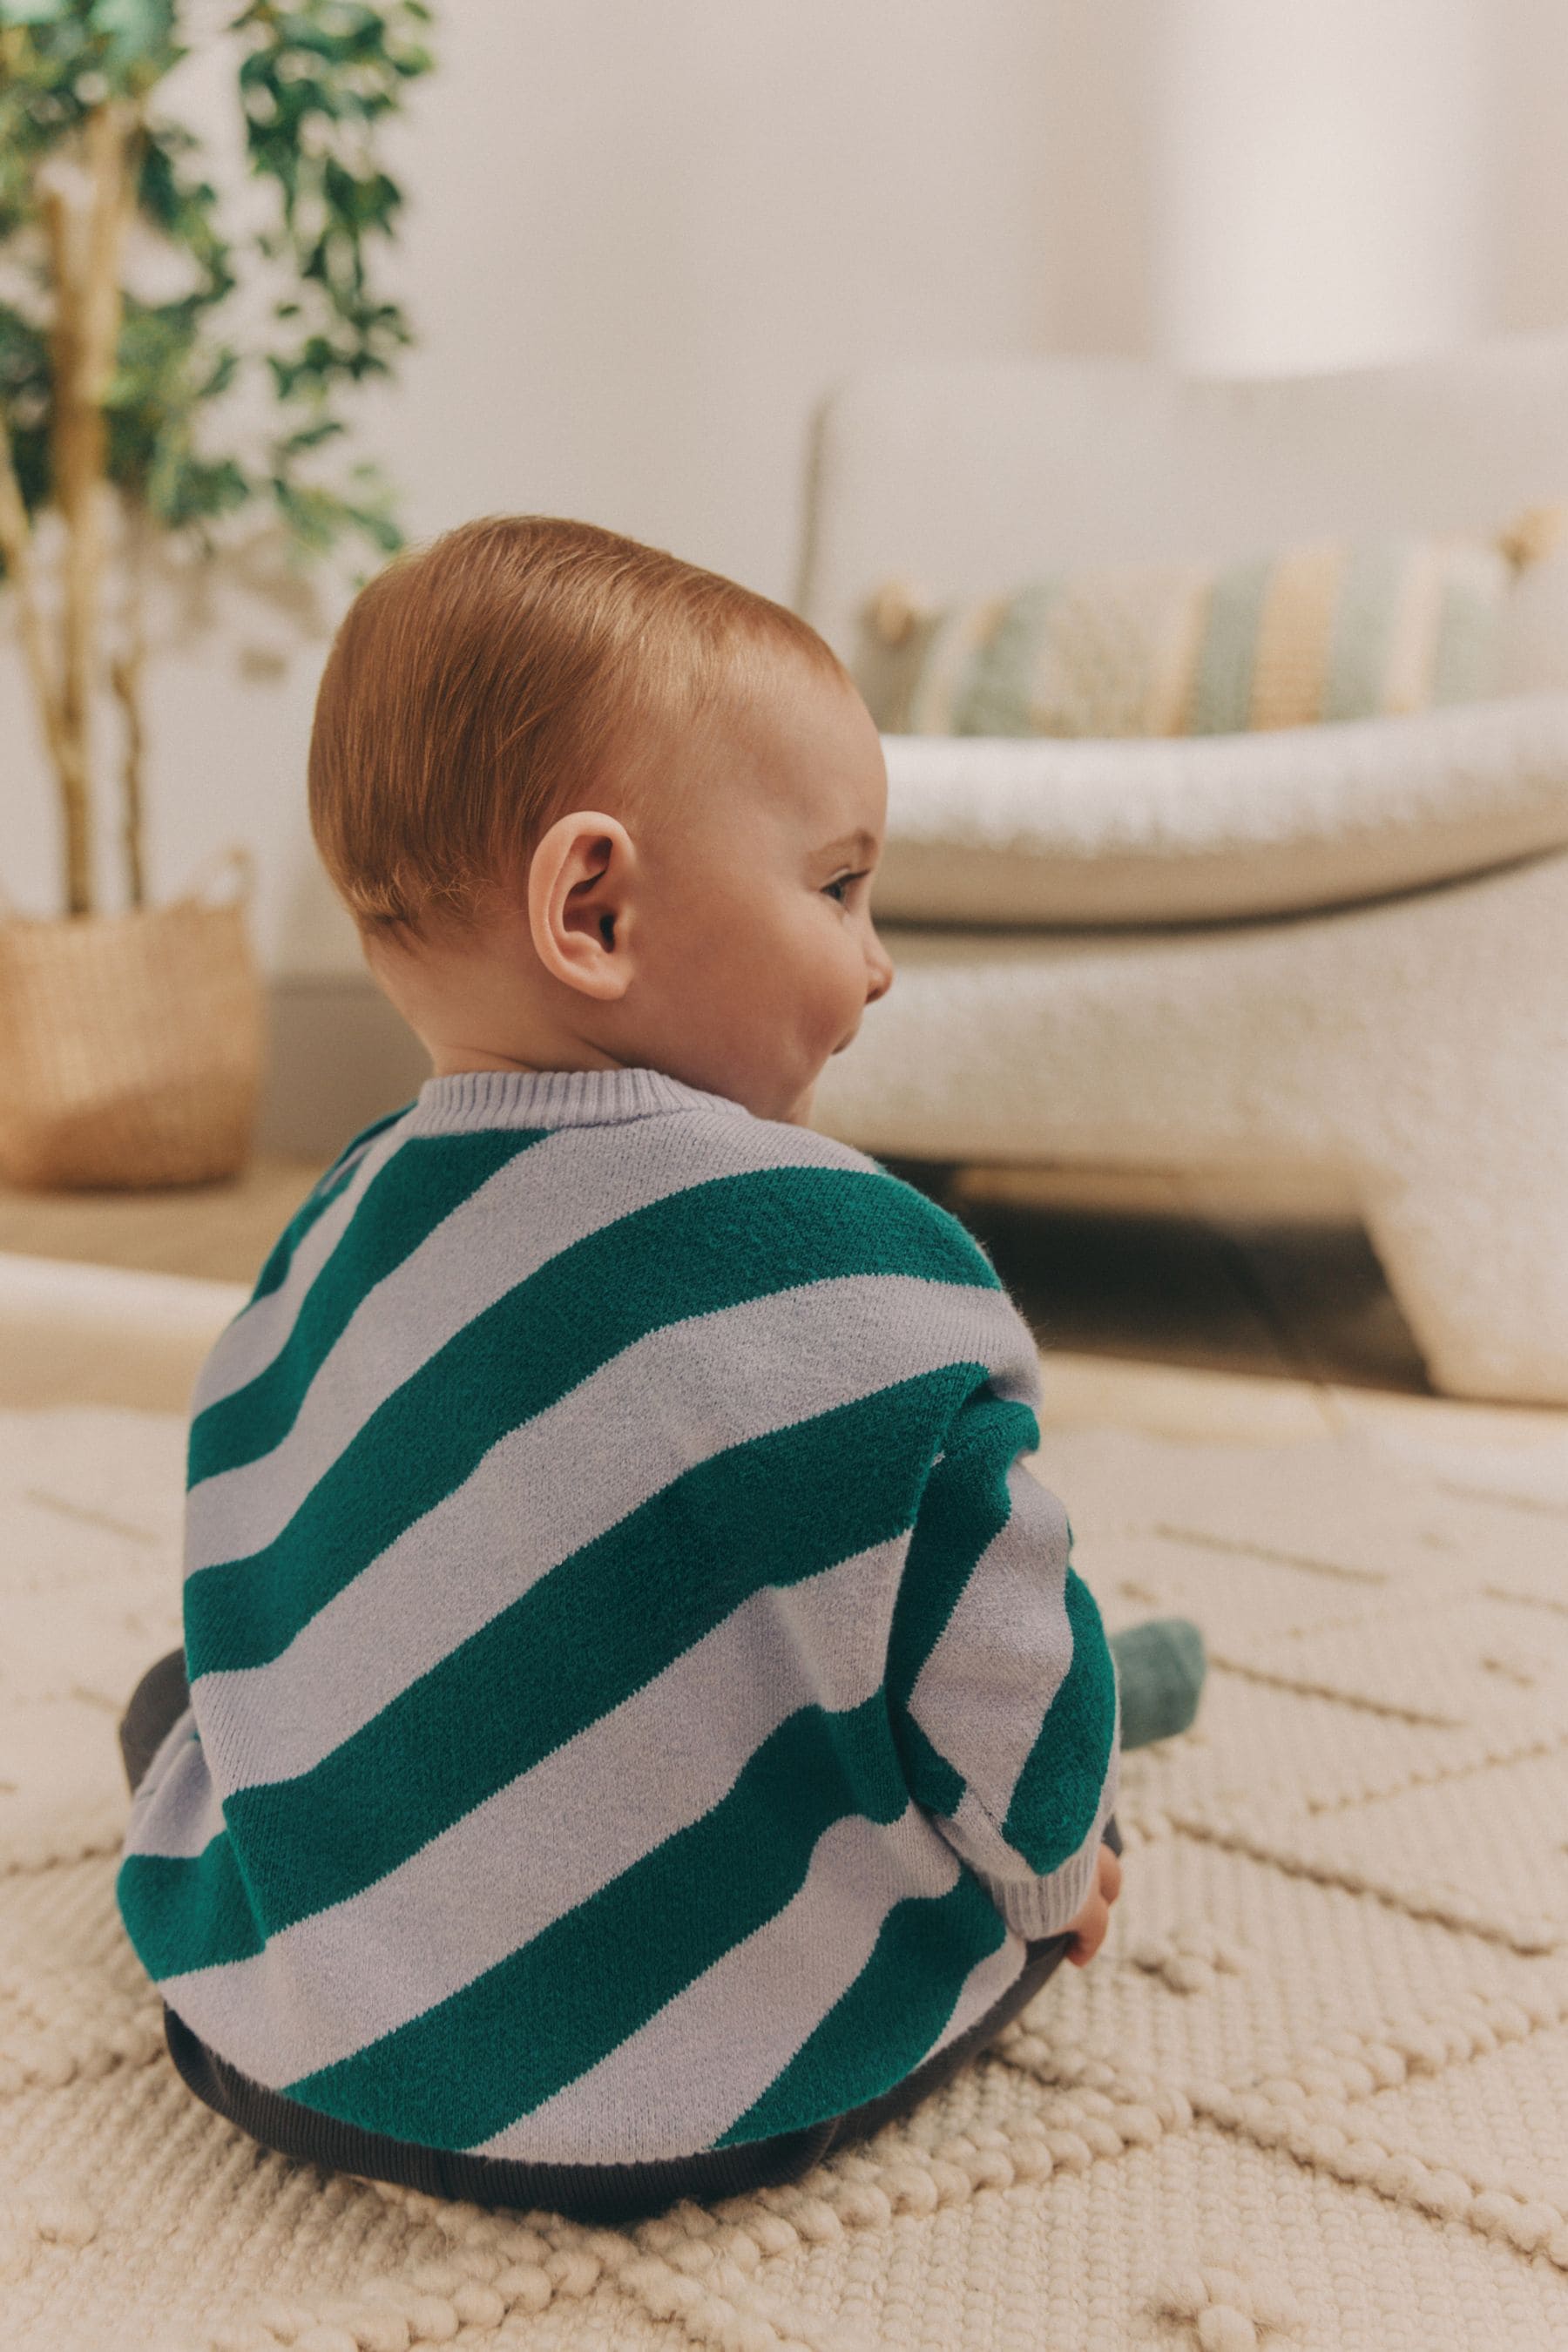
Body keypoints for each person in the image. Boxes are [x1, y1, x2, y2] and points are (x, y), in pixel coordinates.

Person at [115, 517, 1204, 2223]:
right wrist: (1062, 1874)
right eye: (840, 886)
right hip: (703, 2092)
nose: (878, 957)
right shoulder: (875, 1274)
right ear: (595, 906)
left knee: (181, 1704)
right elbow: (1007, 1674)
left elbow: (255, 1570)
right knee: (1006, 1720)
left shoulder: (317, 1241)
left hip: (285, 2053)